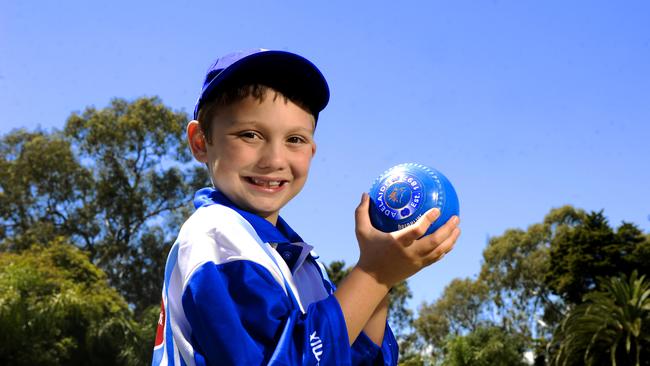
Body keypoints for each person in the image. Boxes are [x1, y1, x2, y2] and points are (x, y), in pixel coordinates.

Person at [151, 49, 461, 366]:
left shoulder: (297, 260)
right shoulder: (217, 237)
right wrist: (374, 274)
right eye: (250, 134)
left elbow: (354, 356)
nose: (274, 160)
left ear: (312, 150)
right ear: (201, 141)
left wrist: (384, 273)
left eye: (295, 139)